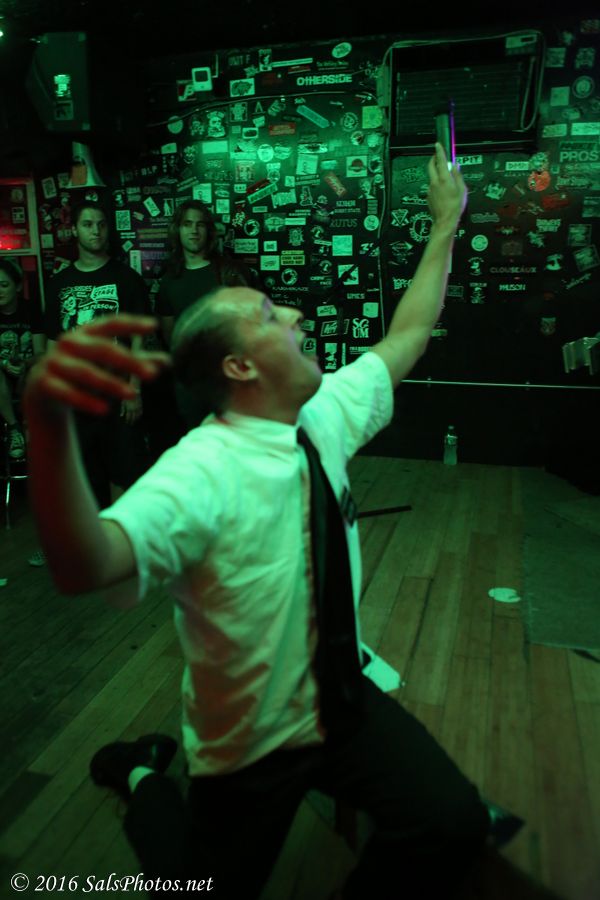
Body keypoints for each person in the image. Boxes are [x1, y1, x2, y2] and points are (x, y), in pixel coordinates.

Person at [24, 146, 534, 900]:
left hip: (340, 702)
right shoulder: (200, 470)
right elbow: (86, 564)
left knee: (452, 823)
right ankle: (139, 773)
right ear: (239, 368)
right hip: (250, 742)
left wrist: (444, 226)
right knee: (198, 885)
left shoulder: (321, 411)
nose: (294, 313)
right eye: (268, 314)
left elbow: (408, 335)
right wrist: (46, 427)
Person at [43, 199, 150, 509]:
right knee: (87, 476)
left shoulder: (127, 278)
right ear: (74, 230)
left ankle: (124, 534)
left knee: (126, 474)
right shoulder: (59, 284)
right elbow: (53, 344)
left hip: (117, 395)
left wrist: (134, 389)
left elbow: (140, 340)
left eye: (101, 224)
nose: (96, 231)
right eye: (88, 224)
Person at [156, 199, 252, 431]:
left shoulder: (230, 273)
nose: (194, 230)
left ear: (209, 231)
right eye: (187, 224)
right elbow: (171, 338)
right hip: (191, 386)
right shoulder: (169, 281)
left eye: (200, 224)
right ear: (177, 230)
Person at [0, 258, 45, 459]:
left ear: (17, 286)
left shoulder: (31, 310)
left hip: (27, 372)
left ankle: (31, 427)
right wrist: (4, 364)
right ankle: (14, 428)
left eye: (4, 285)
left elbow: (41, 352)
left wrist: (24, 363)